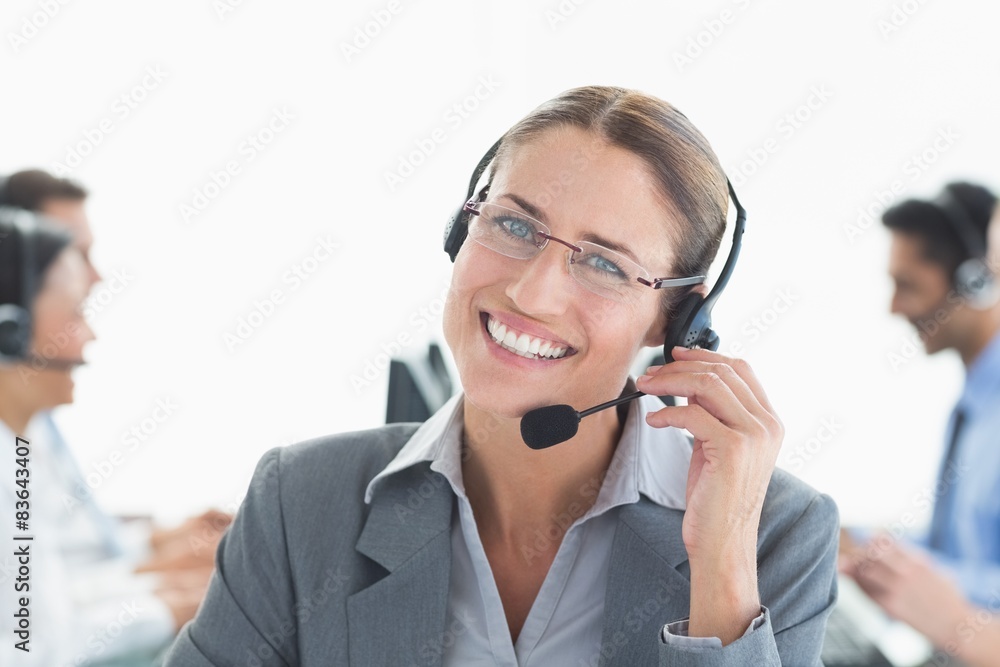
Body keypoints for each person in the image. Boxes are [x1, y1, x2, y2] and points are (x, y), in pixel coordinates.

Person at [163, 85, 839, 666]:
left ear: (677, 320)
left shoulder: (774, 531)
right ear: (461, 232)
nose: (532, 292)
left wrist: (720, 560)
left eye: (604, 263)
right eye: (514, 224)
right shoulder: (300, 503)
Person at [0, 169, 233, 578]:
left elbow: (69, 551)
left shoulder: (33, 413)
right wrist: (161, 586)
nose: (95, 275)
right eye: (73, 252)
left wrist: (158, 541)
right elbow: (34, 612)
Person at [840, 182, 1000, 661]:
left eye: (907, 285)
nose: (894, 308)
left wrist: (917, 582)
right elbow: (963, 552)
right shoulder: (976, 403)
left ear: (974, 281)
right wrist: (847, 540)